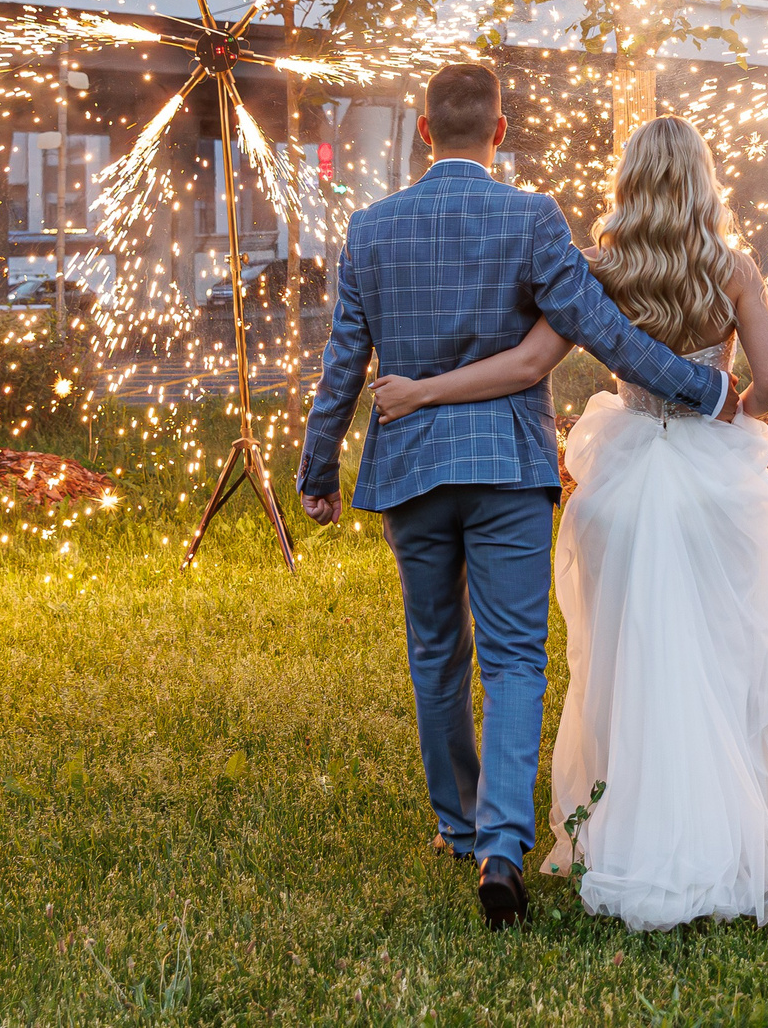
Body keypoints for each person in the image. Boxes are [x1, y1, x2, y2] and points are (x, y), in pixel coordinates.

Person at [372, 116, 768, 933]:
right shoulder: (733, 271)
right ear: (702, 181)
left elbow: (527, 364)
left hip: (625, 478)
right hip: (709, 474)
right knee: (726, 649)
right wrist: (732, 408)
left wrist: (417, 390)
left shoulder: (600, 270)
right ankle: (726, 810)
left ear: (628, 182)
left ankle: (622, 813)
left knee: (623, 655)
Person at [295, 64, 741, 931]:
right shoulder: (532, 217)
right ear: (499, 130)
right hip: (507, 470)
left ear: (425, 132)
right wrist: (702, 389)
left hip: (411, 474)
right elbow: (601, 331)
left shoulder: (370, 228)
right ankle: (503, 846)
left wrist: (318, 470)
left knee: (436, 652)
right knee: (513, 658)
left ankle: (456, 824)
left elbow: (341, 361)